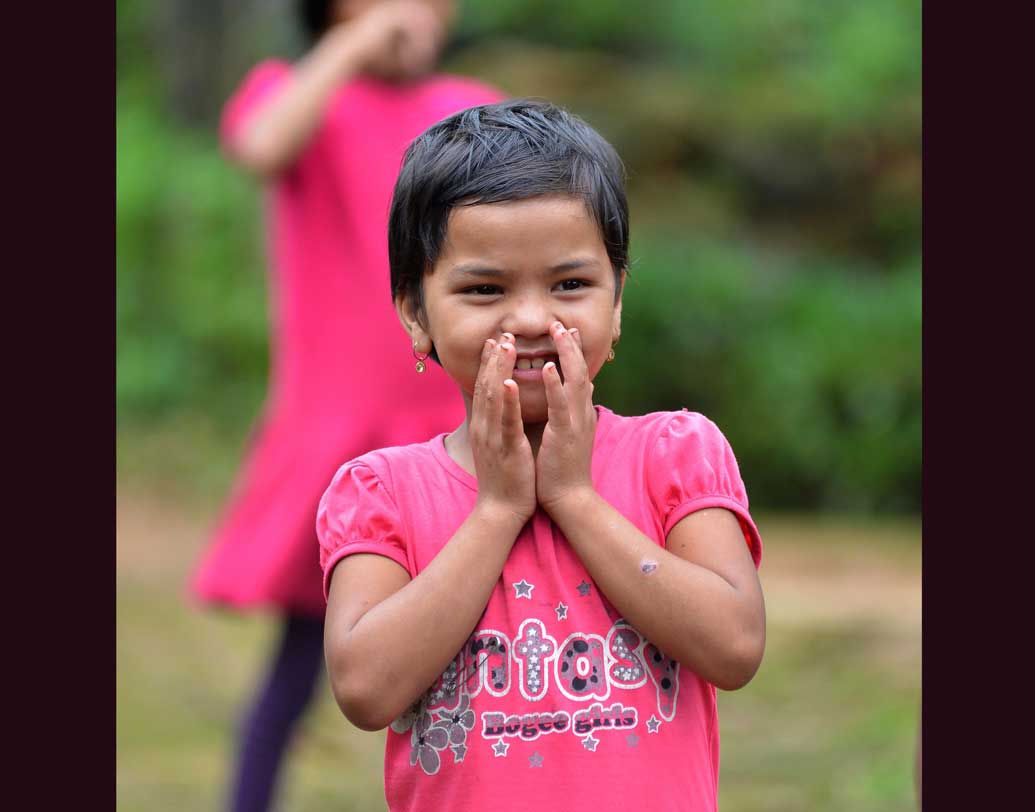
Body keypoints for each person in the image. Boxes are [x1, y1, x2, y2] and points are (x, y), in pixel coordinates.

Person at [316, 99, 767, 812]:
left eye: (569, 284)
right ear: (414, 312)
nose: (529, 319)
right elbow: (366, 690)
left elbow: (734, 646)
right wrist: (496, 509)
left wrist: (576, 499)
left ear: (616, 302)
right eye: (483, 289)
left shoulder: (673, 455)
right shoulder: (380, 491)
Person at [188, 2, 503, 810]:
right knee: (301, 664)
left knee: (481, 661)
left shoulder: (472, 111)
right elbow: (259, 145)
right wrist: (351, 47)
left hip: (459, 427)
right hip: (340, 432)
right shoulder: (297, 97)